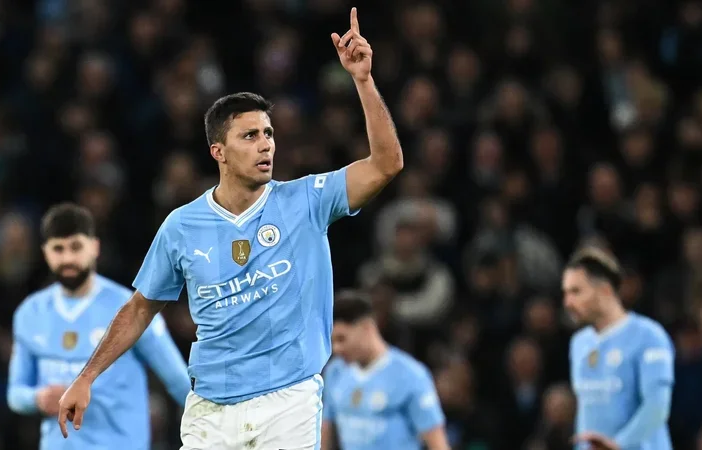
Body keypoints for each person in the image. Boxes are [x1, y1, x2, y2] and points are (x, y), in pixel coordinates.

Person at [57, 7, 404, 450]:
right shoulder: (182, 226)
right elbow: (142, 307)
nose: (266, 144)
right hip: (210, 409)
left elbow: (387, 164)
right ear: (218, 151)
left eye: (268, 133)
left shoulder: (307, 200)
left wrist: (362, 80)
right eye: (250, 136)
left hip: (289, 401)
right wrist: (86, 377)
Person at [7, 203, 190, 449]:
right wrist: (37, 399)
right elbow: (15, 393)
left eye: (76, 247)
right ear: (45, 252)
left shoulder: (131, 310)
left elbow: (179, 382)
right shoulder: (30, 312)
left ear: (95, 247)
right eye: (58, 249)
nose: (68, 258)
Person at [563, 247, 674, 450]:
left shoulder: (649, 336)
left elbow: (657, 407)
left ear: (604, 290)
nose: (568, 302)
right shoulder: (579, 343)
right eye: (566, 293)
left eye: (576, 291)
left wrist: (618, 445)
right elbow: (586, 414)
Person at [321, 290, 449, 450]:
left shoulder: (411, 375)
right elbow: (325, 433)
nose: (336, 349)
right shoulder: (334, 372)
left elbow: (438, 444)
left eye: (341, 339)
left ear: (366, 328)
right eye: (332, 341)